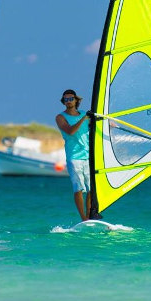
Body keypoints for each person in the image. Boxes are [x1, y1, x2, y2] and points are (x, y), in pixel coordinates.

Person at [55, 89, 98, 222]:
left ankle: (90, 215)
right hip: (74, 156)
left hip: (88, 155)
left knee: (91, 188)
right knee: (78, 188)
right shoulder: (60, 117)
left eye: (71, 99)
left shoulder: (85, 114)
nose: (68, 101)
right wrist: (83, 119)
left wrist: (108, 123)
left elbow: (96, 127)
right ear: (64, 102)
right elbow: (71, 131)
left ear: (76, 100)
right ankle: (83, 218)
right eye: (66, 99)